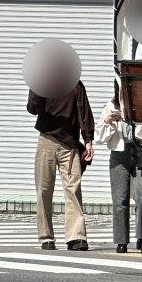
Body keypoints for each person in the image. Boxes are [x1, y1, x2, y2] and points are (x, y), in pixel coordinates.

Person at [27, 80, 94, 251]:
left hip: (70, 144)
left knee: (73, 189)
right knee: (44, 190)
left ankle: (77, 236)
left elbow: (85, 112)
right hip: (47, 140)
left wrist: (88, 141)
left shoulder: (76, 85)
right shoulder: (43, 82)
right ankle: (46, 237)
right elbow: (32, 108)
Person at [97, 83, 142, 254]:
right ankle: (121, 241)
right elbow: (99, 137)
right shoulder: (110, 107)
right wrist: (108, 122)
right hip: (119, 154)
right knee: (120, 199)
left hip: (140, 152)